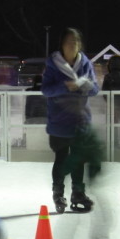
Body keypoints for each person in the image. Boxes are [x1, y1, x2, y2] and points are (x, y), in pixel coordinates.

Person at [41, 27, 100, 213]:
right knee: (61, 158)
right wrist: (65, 87)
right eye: (68, 42)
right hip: (59, 120)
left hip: (80, 120)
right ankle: (58, 193)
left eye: (75, 42)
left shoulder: (85, 64)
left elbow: (95, 89)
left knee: (78, 159)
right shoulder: (52, 65)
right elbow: (46, 90)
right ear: (62, 45)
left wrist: (84, 85)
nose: (72, 45)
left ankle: (78, 193)